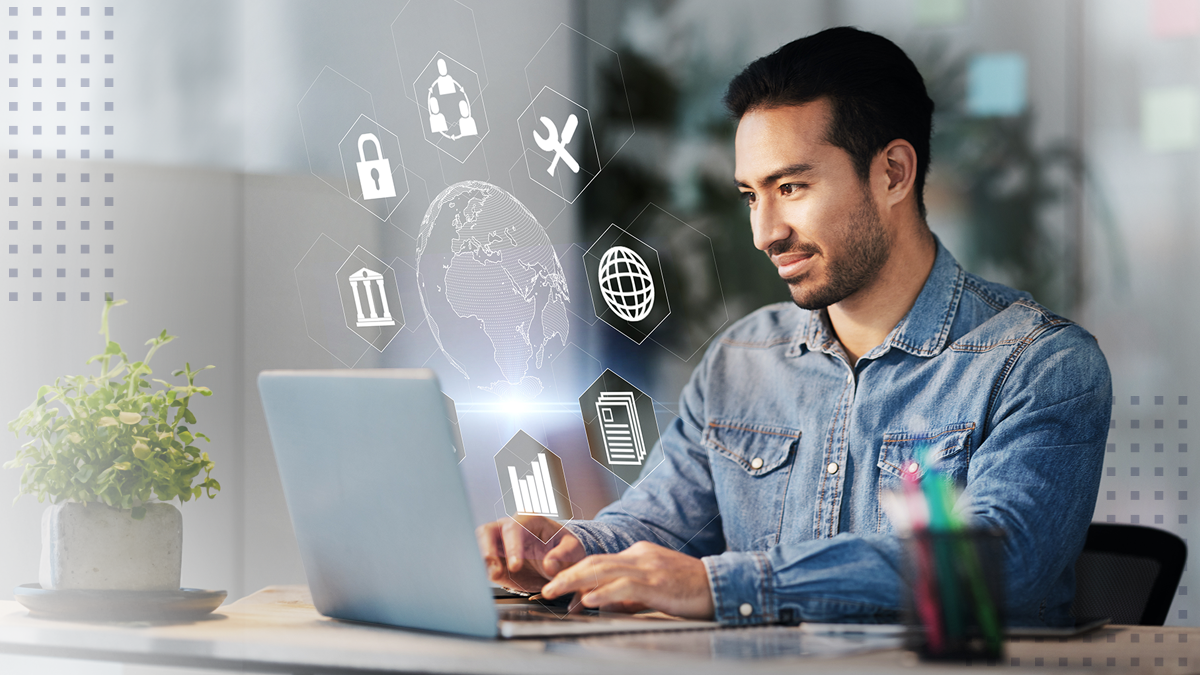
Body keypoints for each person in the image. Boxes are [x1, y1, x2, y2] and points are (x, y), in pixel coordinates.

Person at [476, 26, 1111, 626]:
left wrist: (723, 587)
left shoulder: (1038, 364)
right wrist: (567, 549)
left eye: (792, 187)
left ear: (893, 173)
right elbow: (661, 529)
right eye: (753, 194)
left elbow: (994, 565)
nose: (765, 233)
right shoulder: (742, 360)